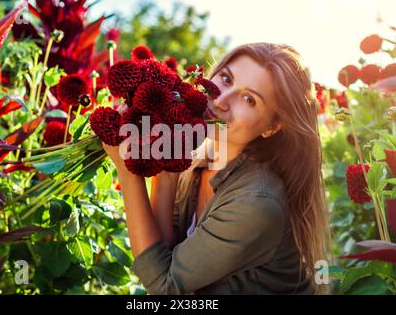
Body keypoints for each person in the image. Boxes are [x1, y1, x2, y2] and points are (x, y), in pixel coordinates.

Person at [102, 43, 331, 295]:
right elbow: (166, 254)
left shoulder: (256, 202)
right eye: (226, 78)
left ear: (272, 127)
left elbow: (164, 285)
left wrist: (127, 169)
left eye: (249, 99)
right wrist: (167, 168)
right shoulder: (204, 160)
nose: (221, 100)